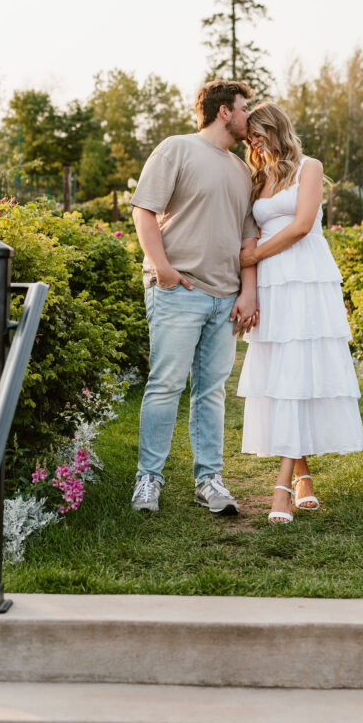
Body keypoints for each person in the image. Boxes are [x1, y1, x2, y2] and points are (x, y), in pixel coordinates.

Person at [129, 79, 259, 514]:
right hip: (178, 291)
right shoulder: (176, 149)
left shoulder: (241, 168)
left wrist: (247, 292)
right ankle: (148, 479)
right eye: (244, 108)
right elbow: (143, 210)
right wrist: (163, 271)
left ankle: (210, 480)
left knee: (212, 392)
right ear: (224, 111)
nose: (248, 116)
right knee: (165, 386)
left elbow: (246, 238)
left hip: (225, 300)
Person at [238, 102, 363, 523]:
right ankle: (304, 477)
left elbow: (302, 225)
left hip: (306, 277)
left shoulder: (309, 167)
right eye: (250, 138)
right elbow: (250, 233)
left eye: (259, 135)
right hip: (272, 283)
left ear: (277, 130)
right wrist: (250, 278)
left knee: (298, 371)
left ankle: (281, 487)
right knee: (282, 375)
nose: (254, 144)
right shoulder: (257, 176)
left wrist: (253, 254)